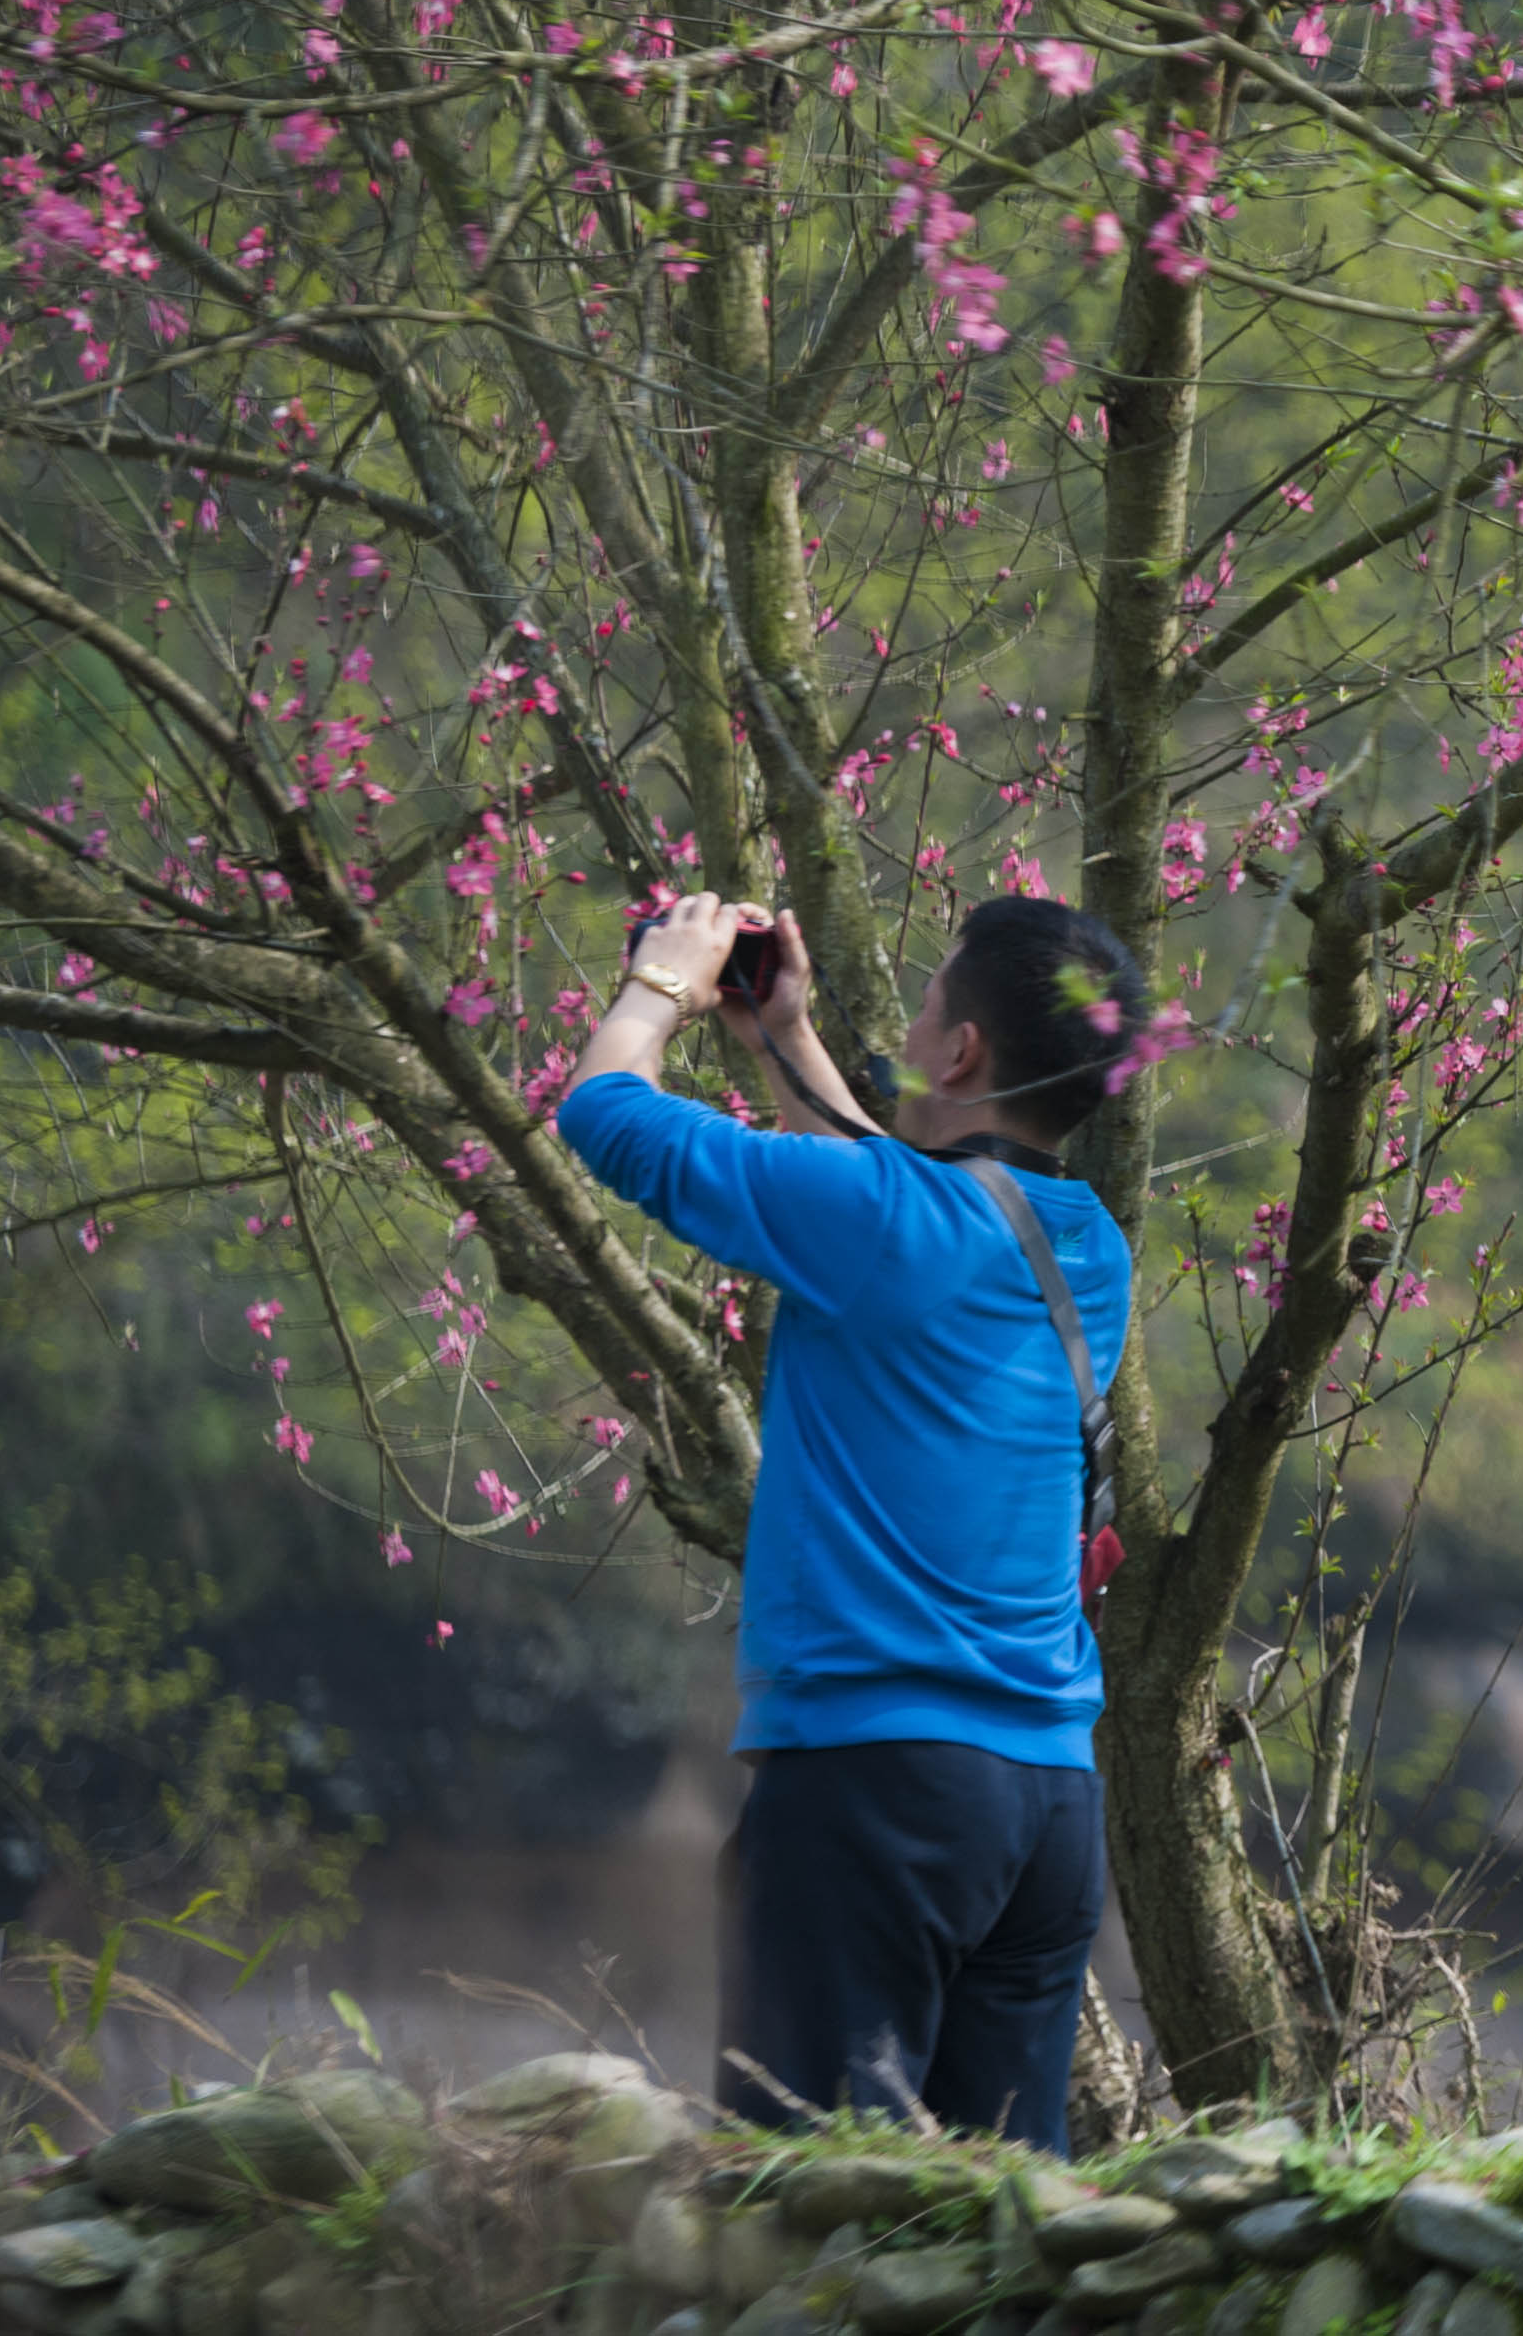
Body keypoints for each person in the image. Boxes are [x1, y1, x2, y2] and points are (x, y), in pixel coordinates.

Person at [556, 890, 1141, 2149]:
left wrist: (662, 984)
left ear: (962, 1049)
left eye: (931, 998)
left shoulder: (880, 1219)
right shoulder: (1092, 1247)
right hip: (1042, 1805)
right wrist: (781, 1034)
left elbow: (603, 1113)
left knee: (817, 2211)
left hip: (878, 1787)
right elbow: (900, 1189)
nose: (917, 1014)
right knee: (998, 2233)